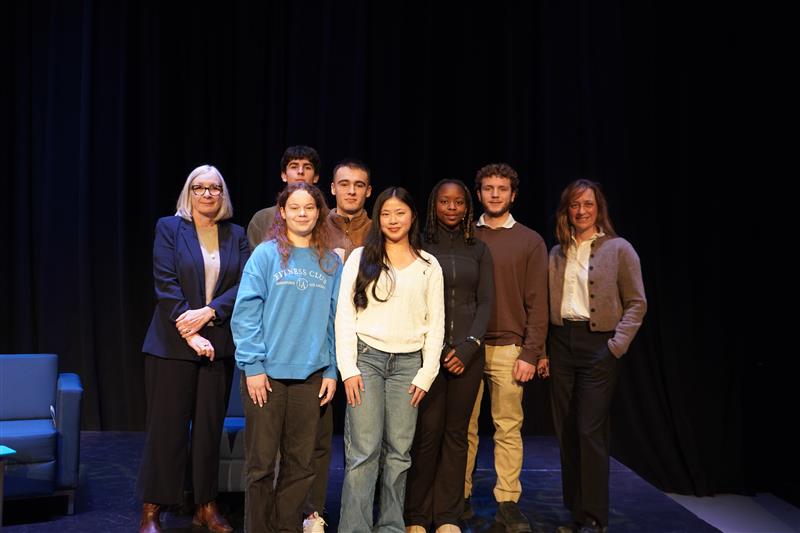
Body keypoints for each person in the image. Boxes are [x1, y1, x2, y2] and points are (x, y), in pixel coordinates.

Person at [138, 165, 249, 533]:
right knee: (166, 429)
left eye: (214, 188)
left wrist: (209, 312)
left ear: (223, 194)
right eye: (199, 188)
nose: (207, 194)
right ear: (189, 193)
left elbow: (244, 285)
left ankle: (205, 504)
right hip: (171, 345)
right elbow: (165, 282)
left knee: (208, 430)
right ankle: (153, 508)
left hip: (216, 345)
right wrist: (189, 331)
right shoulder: (169, 228)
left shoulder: (236, 234)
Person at [231, 182, 341, 533]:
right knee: (261, 465)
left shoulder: (329, 261)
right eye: (295, 207)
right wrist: (253, 366)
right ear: (282, 212)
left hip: (311, 376)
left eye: (309, 207)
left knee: (301, 465)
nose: (302, 214)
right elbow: (245, 313)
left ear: (319, 212)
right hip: (267, 376)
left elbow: (335, 319)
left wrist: (332, 368)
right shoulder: (266, 255)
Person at [336, 187, 445, 533]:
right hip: (366, 361)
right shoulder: (360, 258)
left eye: (400, 213)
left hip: (409, 367)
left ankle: (391, 527)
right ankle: (355, 528)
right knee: (363, 453)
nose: (393, 220)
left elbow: (436, 324)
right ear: (378, 218)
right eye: (385, 213)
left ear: (412, 216)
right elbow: (344, 316)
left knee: (399, 453)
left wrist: (426, 374)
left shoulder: (429, 266)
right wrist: (348, 369)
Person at [548, 179, 647, 533]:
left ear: (598, 208)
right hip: (561, 344)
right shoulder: (557, 251)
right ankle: (575, 512)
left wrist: (616, 345)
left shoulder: (619, 248)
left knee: (590, 430)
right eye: (575, 205)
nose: (581, 211)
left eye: (588, 204)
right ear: (567, 210)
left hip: (599, 345)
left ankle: (595, 515)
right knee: (566, 430)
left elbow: (637, 303)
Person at [463, 163, 549, 533]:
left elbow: (538, 301)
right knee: (462, 427)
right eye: (487, 188)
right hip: (467, 348)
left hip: (509, 348)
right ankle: (459, 495)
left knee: (508, 428)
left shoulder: (529, 240)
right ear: (478, 193)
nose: (494, 194)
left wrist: (531, 352)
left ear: (513, 195)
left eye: (502, 188)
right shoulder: (466, 235)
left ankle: (508, 501)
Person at [405, 179, 494, 533]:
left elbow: (486, 302)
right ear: (434, 205)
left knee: (457, 435)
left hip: (469, 355)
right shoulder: (420, 244)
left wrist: (469, 346)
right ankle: (416, 515)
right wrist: (439, 349)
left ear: (467, 206)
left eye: (458, 202)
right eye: (445, 202)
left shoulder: (479, 249)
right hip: (429, 354)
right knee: (426, 434)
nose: (452, 208)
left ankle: (447, 516)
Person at [247, 145, 321, 250]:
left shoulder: (326, 218)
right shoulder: (262, 219)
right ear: (284, 175)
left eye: (307, 167)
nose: (300, 171)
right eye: (294, 166)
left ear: (316, 177)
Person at [326, 158, 373, 261]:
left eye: (359, 185)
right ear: (333, 188)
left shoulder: (377, 231)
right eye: (344, 184)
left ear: (368, 191)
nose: (352, 191)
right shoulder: (316, 228)